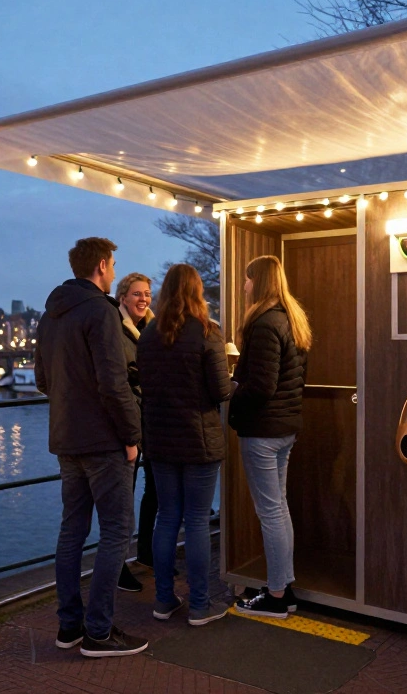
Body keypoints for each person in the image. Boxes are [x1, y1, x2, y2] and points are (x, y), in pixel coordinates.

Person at [35, 237, 147, 658]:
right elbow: (113, 382)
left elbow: (43, 381)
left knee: (72, 530)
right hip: (104, 441)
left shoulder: (50, 315)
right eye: (114, 264)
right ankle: (99, 631)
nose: (115, 270)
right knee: (117, 529)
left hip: (66, 439)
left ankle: (70, 627)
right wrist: (131, 436)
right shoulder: (101, 311)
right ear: (102, 265)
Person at [137, 264, 233, 626]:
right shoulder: (207, 333)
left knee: (166, 517)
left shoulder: (148, 336)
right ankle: (199, 605)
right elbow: (221, 391)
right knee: (195, 521)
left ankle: (163, 600)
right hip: (199, 441)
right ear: (197, 292)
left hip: (160, 442)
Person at [230, 254, 311, 619]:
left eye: (247, 280)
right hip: (285, 428)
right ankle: (285, 586)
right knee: (279, 507)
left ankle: (276, 595)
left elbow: (262, 386)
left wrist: (233, 390)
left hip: (262, 430)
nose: (244, 286)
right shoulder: (292, 319)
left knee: (270, 512)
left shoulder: (264, 324)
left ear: (258, 281)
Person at [115, 272, 155, 593]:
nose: (143, 299)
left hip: (153, 419)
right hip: (130, 421)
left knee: (155, 487)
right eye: (137, 294)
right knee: (123, 497)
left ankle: (147, 552)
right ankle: (117, 568)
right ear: (123, 297)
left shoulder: (153, 328)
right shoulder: (115, 328)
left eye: (147, 294)